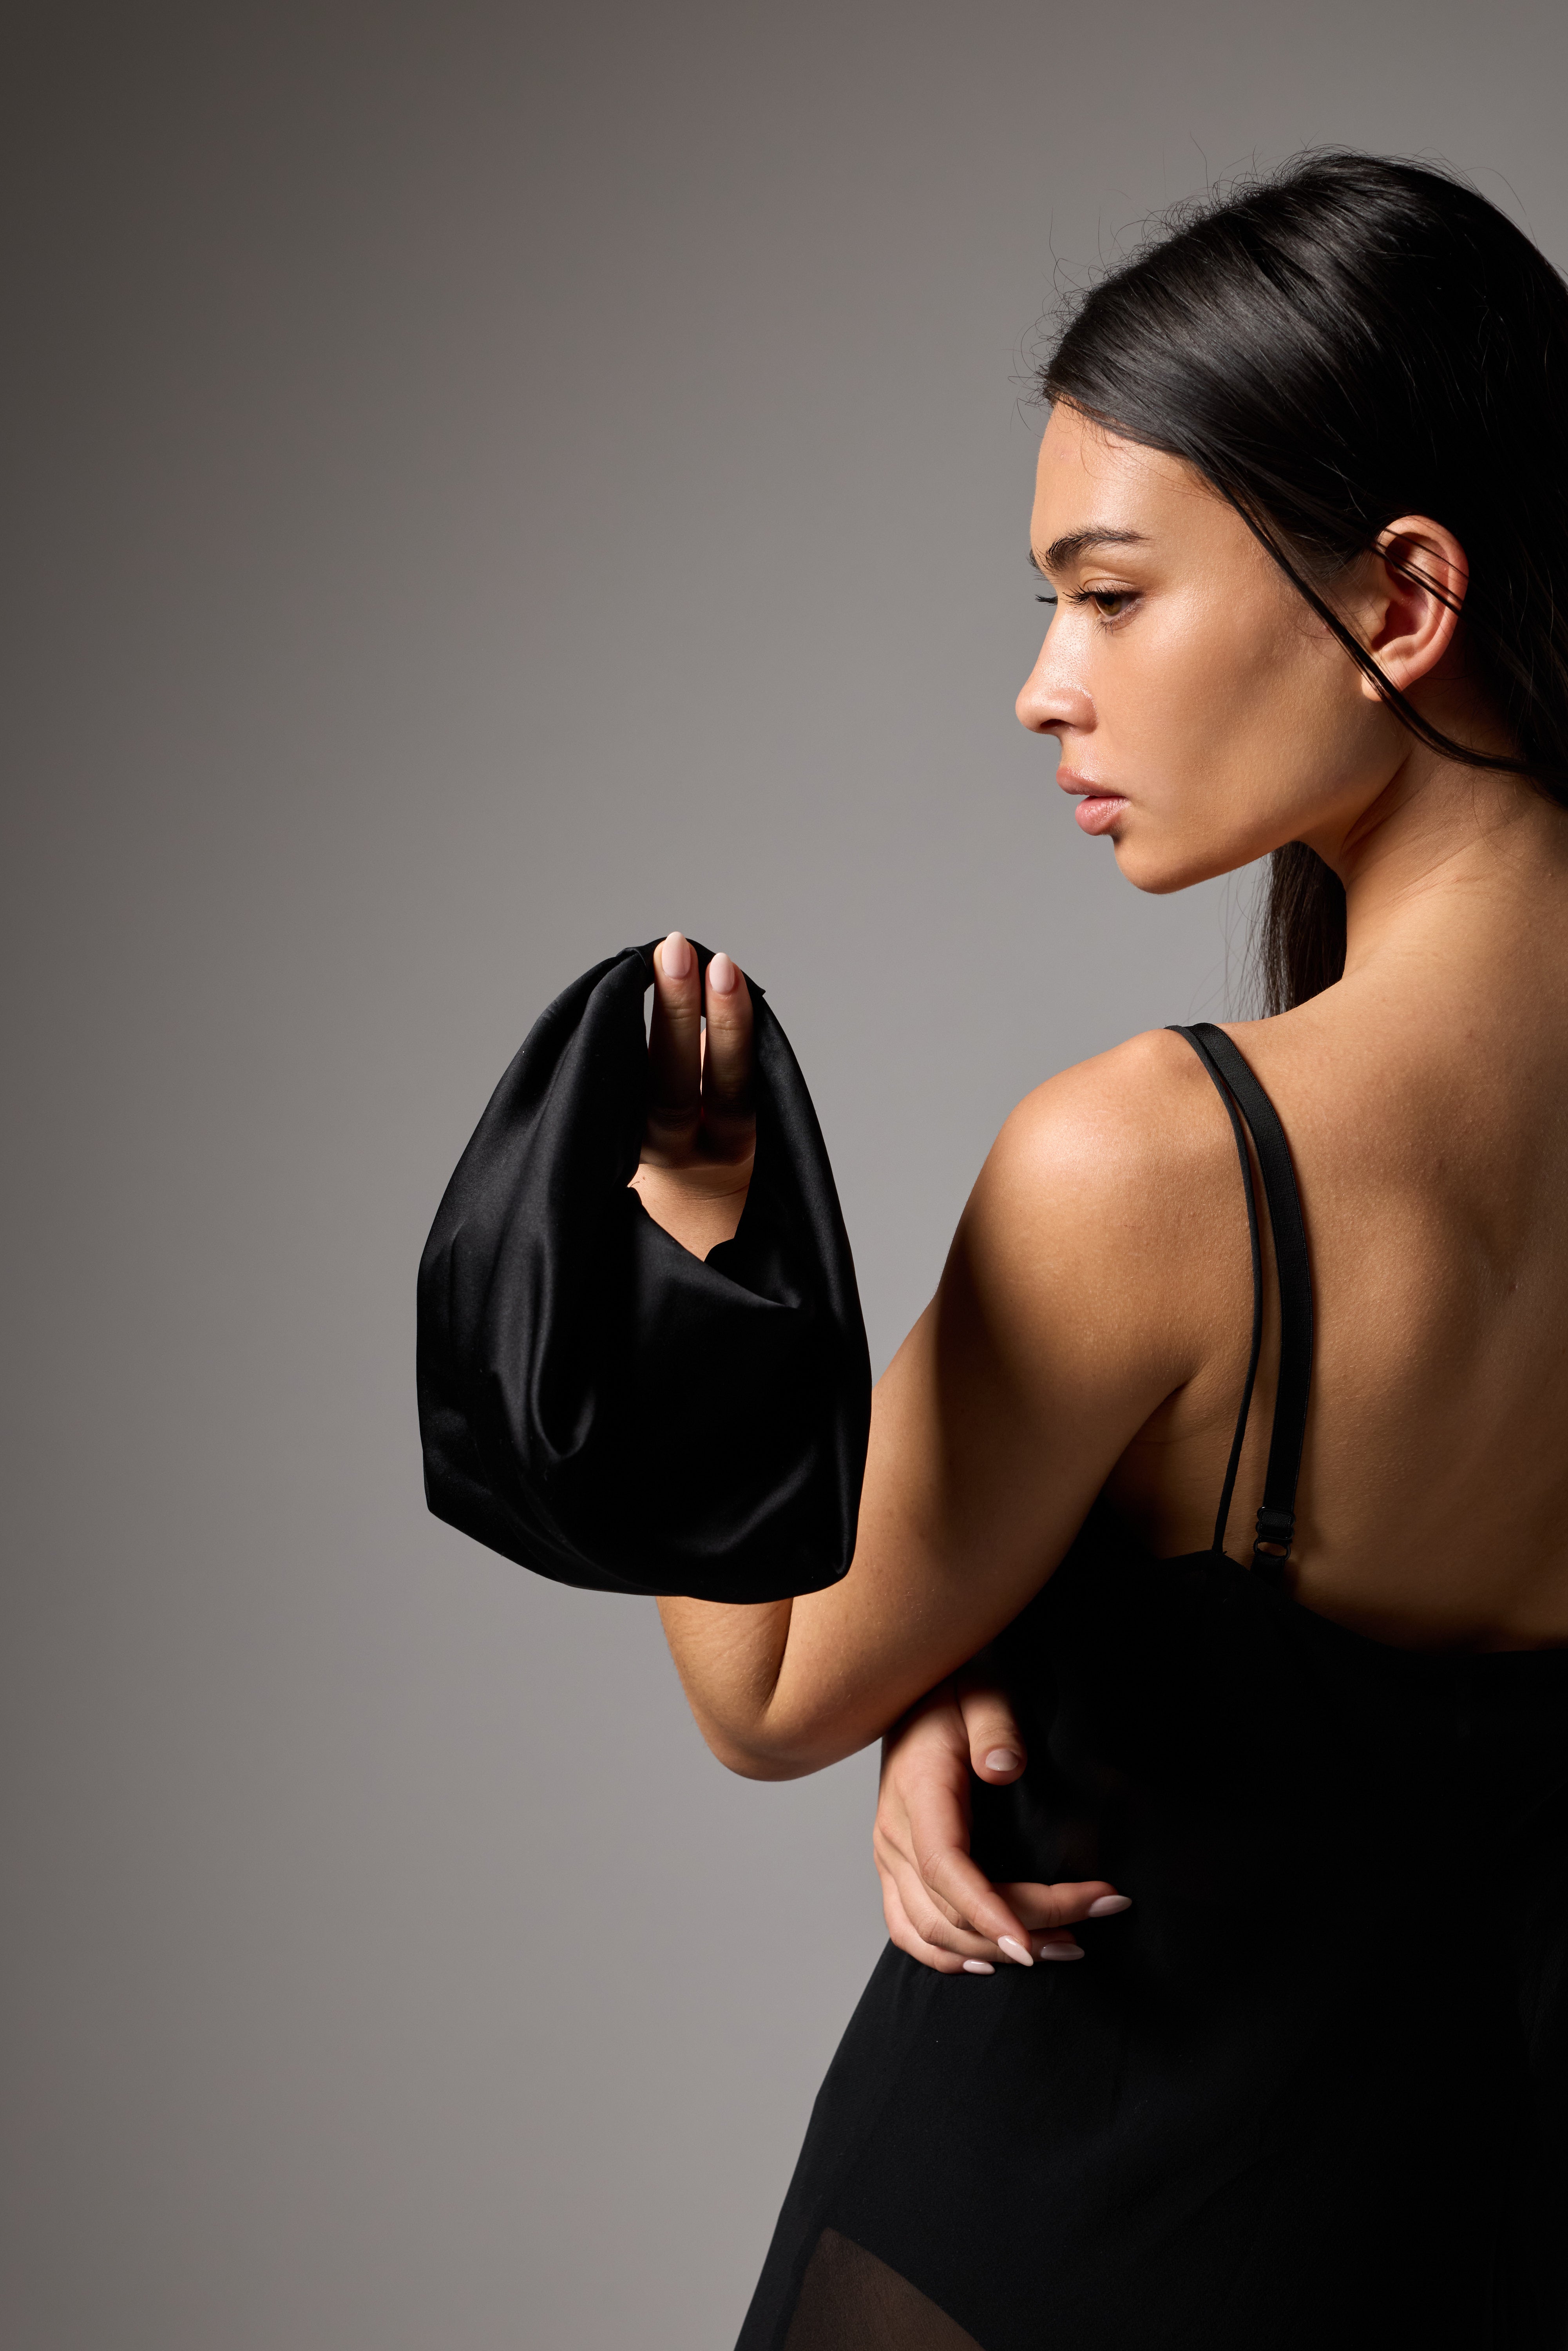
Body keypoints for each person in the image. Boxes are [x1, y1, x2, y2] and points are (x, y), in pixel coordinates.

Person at [422, 152, 1568, 2347]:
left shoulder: (1158, 1164)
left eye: (1109, 595)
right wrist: (1022, 1630)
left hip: (1080, 2206)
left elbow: (769, 1685)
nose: (1045, 687)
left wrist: (699, 1229)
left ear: (1407, 600)